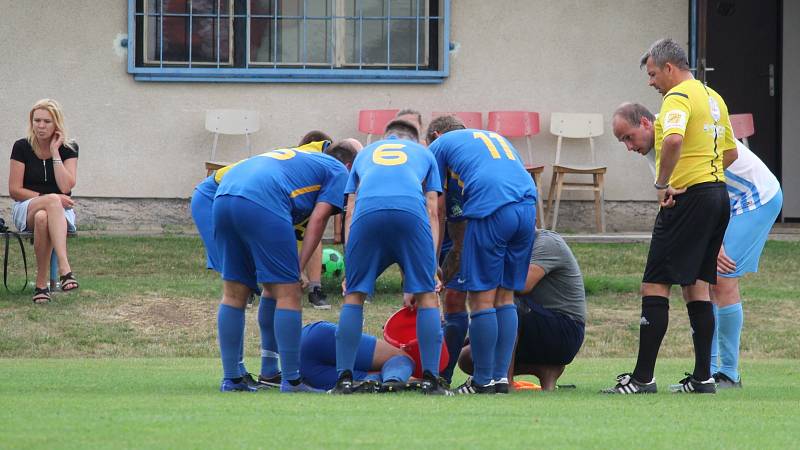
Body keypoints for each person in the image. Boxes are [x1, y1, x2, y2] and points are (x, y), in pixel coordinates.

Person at [612, 102, 782, 389]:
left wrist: (712, 238)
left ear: (644, 123)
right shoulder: (653, 148)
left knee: (722, 280)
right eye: (622, 142)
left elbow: (706, 182)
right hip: (719, 204)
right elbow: (674, 193)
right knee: (705, 282)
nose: (628, 147)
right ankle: (707, 372)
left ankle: (727, 373)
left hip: (753, 197)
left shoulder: (674, 133)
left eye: (628, 137)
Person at [602, 38, 736, 395]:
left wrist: (664, 183)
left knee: (655, 283)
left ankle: (643, 378)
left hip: (688, 198)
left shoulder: (677, 97)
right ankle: (703, 378)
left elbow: (673, 140)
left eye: (652, 74)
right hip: (717, 195)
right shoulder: (713, 98)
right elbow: (731, 153)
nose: (650, 82)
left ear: (669, 68)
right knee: (697, 286)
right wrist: (706, 178)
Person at [212, 140, 355, 393]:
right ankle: (292, 380)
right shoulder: (339, 170)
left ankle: (232, 378)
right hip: (262, 200)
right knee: (288, 292)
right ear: (348, 164)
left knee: (234, 293)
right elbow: (319, 219)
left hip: (223, 196)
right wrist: (297, 267)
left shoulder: (305, 158)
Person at [333, 119, 450, 395]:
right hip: (410, 212)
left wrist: (352, 265)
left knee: (354, 295)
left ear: (385, 138)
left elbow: (349, 209)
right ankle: (432, 381)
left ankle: (344, 379)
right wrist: (430, 266)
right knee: (426, 295)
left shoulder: (365, 153)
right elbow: (433, 209)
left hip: (367, 214)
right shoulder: (424, 153)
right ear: (414, 140)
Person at [427, 115, 537, 394]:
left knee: (481, 301)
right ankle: (500, 378)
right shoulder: (491, 137)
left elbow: (436, 209)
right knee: (505, 297)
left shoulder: (439, 146)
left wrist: (431, 262)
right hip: (527, 208)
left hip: (492, 208)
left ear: (435, 136)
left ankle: (482, 380)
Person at [458, 230, 586, 391]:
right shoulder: (512, 247)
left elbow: (523, 285)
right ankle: (543, 369)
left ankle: (504, 382)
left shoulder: (546, 243)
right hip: (538, 326)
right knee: (467, 357)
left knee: (505, 300)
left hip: (564, 331)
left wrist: (483, 273)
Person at [8, 99, 80, 304]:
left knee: (43, 218)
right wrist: (50, 198)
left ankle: (41, 285)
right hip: (26, 207)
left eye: (46, 121)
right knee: (47, 205)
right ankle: (65, 269)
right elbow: (15, 190)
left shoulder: (69, 148)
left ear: (57, 123)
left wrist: (56, 152)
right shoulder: (22, 147)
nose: (40, 126)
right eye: (36, 120)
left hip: (60, 212)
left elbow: (66, 187)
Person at [301, 321, 416, 392]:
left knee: (358, 383)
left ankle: (391, 381)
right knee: (403, 357)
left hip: (299, 367)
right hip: (313, 338)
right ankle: (393, 380)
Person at [296, 130, 334, 309]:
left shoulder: (326, 170)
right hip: (279, 207)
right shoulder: (301, 163)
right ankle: (249, 286)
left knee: (314, 235)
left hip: (302, 213)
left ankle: (315, 288)